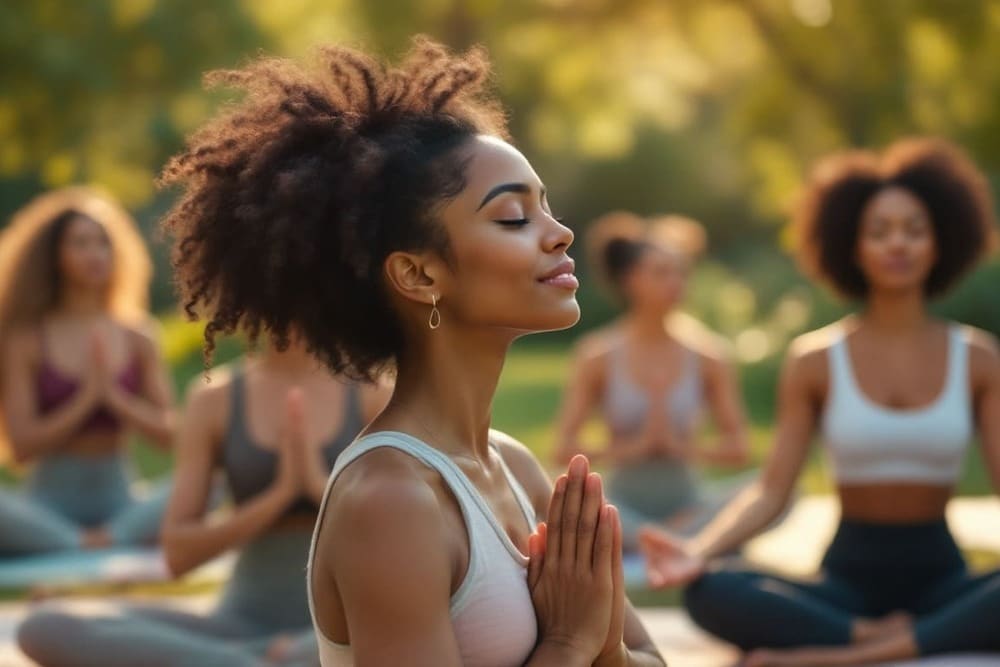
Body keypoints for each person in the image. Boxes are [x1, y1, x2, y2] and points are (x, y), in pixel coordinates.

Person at [156, 37, 665, 666]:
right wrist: (568, 642)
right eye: (513, 217)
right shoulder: (390, 502)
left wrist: (606, 645)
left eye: (548, 208)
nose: (559, 233)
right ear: (419, 276)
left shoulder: (515, 467)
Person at [639, 137, 1000, 666]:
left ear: (940, 240)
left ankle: (845, 652)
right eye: (879, 232)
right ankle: (886, 635)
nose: (897, 243)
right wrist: (698, 550)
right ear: (852, 246)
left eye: (913, 230)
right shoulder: (815, 359)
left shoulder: (979, 358)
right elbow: (772, 491)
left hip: (943, 576)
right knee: (711, 589)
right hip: (846, 584)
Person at [17, 337, 391, 667]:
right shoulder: (215, 397)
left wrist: (316, 488)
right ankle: (260, 659)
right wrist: (275, 498)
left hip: (340, 625)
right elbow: (179, 553)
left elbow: (399, 536)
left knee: (399, 633)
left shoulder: (372, 392)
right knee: (45, 627)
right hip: (236, 625)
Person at [555, 211, 750, 550]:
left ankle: (658, 541)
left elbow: (738, 448)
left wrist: (680, 448)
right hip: (621, 507)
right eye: (661, 273)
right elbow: (564, 449)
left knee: (779, 491)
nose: (676, 283)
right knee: (545, 492)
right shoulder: (597, 355)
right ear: (630, 279)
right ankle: (676, 544)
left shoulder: (709, 355)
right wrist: (635, 449)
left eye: (681, 272)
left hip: (690, 506)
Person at [0, 187, 175, 555]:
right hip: (47, 505)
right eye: (79, 243)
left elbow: (168, 436)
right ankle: (84, 542)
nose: (94, 254)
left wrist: (115, 400)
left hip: (121, 500)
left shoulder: (138, 335)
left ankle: (98, 540)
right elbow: (22, 448)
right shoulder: (26, 338)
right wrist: (87, 399)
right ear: (53, 256)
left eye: (102, 243)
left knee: (215, 481)